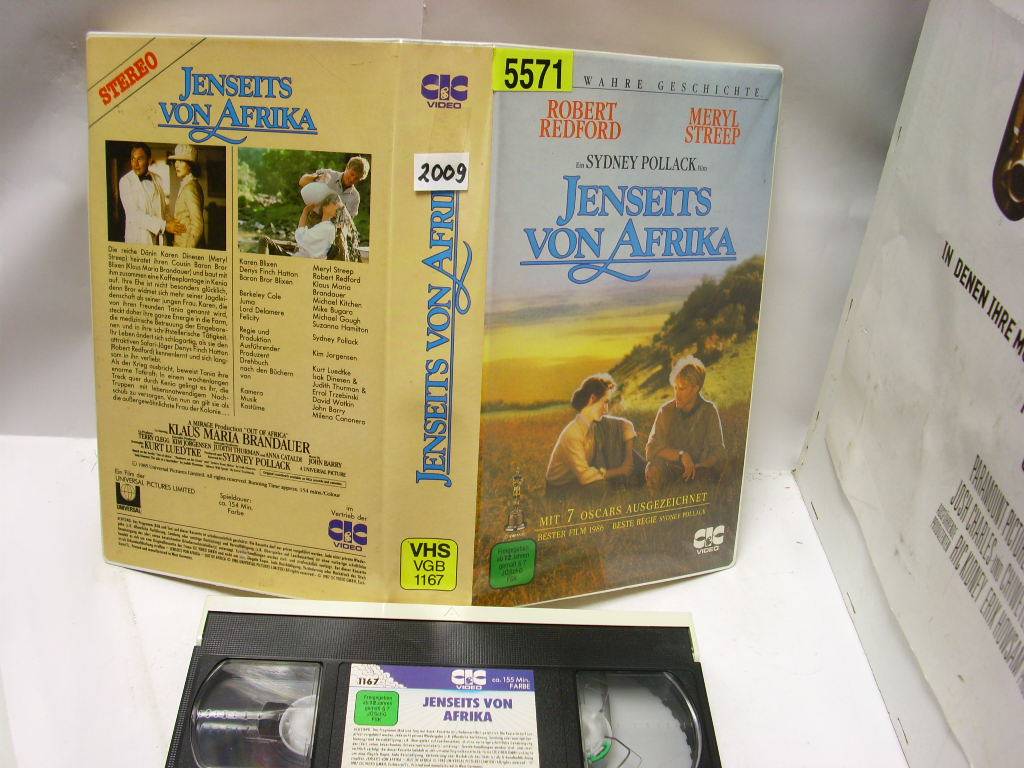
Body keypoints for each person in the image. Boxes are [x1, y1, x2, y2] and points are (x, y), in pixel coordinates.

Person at [545, 374, 642, 500]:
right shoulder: (572, 433)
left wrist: (628, 458)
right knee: (602, 490)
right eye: (605, 402)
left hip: (580, 480)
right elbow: (585, 477)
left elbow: (626, 425)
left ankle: (646, 478)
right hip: (561, 489)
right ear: (592, 399)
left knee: (620, 449)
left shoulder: (595, 423)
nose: (606, 409)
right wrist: (620, 470)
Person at [645, 356, 726, 493]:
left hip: (699, 470)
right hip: (670, 468)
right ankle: (658, 500)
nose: (676, 394)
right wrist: (681, 455)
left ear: (695, 388)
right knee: (653, 468)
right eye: (675, 388)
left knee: (709, 477)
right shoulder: (666, 411)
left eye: (682, 388)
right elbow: (650, 449)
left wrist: (701, 466)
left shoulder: (709, 411)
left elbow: (718, 450)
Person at [118, 143, 183, 244]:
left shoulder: (158, 178)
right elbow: (134, 214)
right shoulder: (125, 181)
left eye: (140, 159)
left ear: (149, 160)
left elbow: (163, 208)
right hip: (138, 241)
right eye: (133, 159)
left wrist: (172, 221)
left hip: (158, 241)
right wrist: (164, 226)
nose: (135, 164)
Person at [298, 156, 369, 218]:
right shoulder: (329, 174)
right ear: (347, 167)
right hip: (312, 220)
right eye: (352, 174)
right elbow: (302, 182)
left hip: (333, 228)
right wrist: (317, 177)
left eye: (357, 178)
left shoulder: (355, 197)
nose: (352, 179)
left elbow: (348, 223)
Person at [167, 144, 205, 248]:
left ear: (190, 165)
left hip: (185, 247)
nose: (176, 164)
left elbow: (198, 225)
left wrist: (187, 252)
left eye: (181, 161)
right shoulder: (191, 184)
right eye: (176, 161)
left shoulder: (189, 188)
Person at [293, 193, 342, 259]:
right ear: (324, 205)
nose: (336, 206)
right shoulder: (323, 226)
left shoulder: (328, 227)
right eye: (334, 203)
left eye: (335, 203)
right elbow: (301, 237)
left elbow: (301, 238)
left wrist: (305, 212)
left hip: (305, 262)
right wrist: (305, 212)